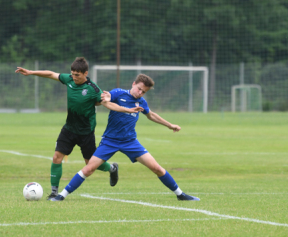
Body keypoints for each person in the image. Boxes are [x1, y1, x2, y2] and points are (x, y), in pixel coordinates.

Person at [48, 73, 199, 202]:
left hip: (130, 142)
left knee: (156, 167)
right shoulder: (119, 93)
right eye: (139, 89)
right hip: (109, 141)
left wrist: (170, 125)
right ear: (133, 84)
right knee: (89, 169)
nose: (140, 93)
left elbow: (151, 115)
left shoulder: (141, 102)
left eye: (144, 92)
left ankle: (180, 194)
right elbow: (107, 97)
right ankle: (61, 195)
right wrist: (106, 96)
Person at [15, 57, 118, 197]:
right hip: (69, 129)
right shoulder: (69, 79)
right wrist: (31, 72)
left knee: (91, 164)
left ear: (85, 73)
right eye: (73, 74)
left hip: (86, 132)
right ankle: (53, 192)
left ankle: (112, 168)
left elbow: (104, 102)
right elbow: (51, 74)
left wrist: (122, 108)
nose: (74, 77)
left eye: (78, 75)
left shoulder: (93, 88)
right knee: (57, 157)